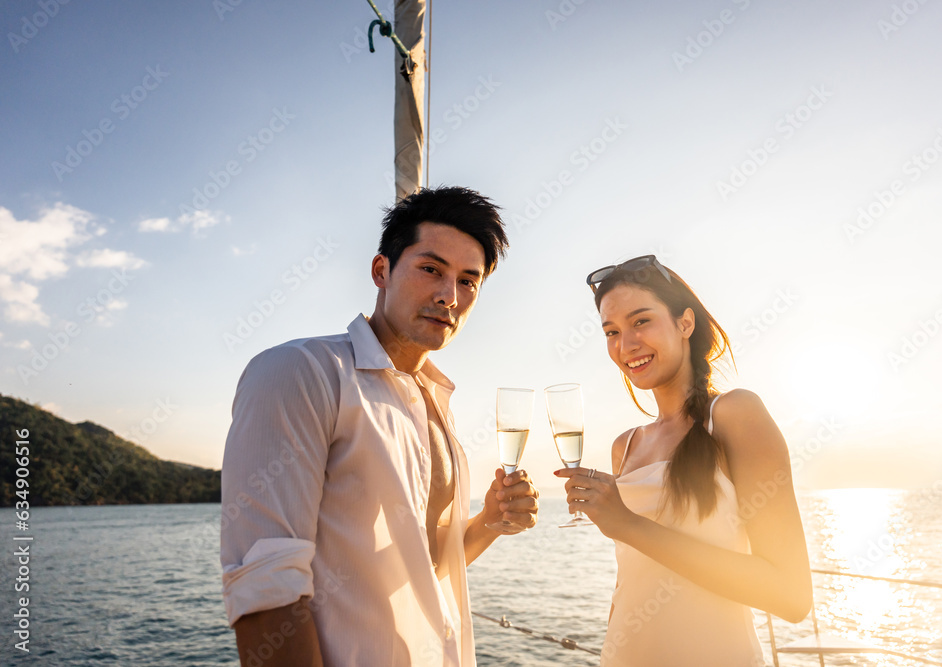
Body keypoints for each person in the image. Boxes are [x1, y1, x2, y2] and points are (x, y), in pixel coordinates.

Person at [220, 186, 540, 667]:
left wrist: (489, 523)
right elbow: (267, 591)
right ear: (381, 271)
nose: (448, 296)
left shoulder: (435, 401)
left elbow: (422, 566)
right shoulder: (301, 372)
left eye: (468, 281)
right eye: (431, 269)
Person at [554, 255, 812, 666]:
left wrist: (628, 524)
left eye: (641, 322)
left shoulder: (734, 415)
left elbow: (792, 596)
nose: (626, 345)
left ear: (685, 323)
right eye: (611, 331)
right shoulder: (626, 445)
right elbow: (631, 584)